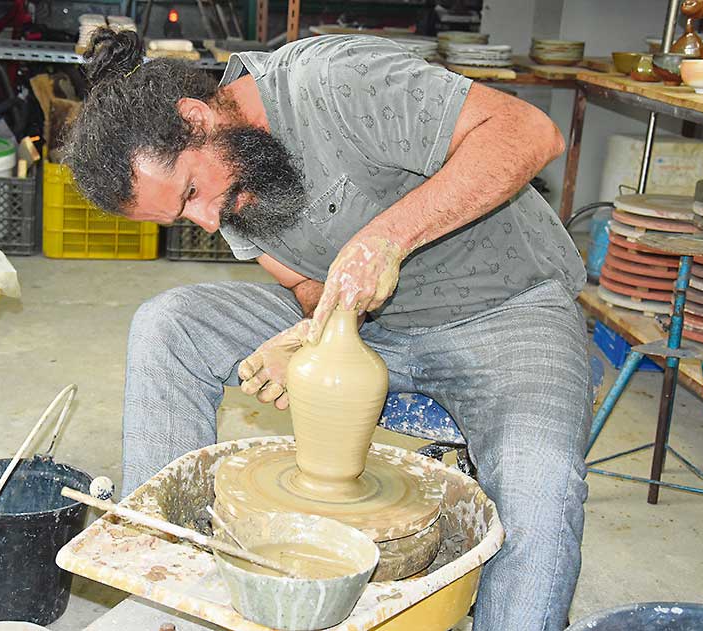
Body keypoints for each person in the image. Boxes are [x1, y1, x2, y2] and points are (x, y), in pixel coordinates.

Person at [66, 28, 591, 631]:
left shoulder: (334, 82)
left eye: (190, 192)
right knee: (170, 325)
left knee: (538, 477)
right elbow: (303, 282)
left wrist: (387, 238)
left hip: (503, 306)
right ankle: (174, 591)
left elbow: (528, 132)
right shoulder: (228, 172)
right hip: (364, 321)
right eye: (181, 214)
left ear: (197, 117)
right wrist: (314, 331)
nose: (206, 221)